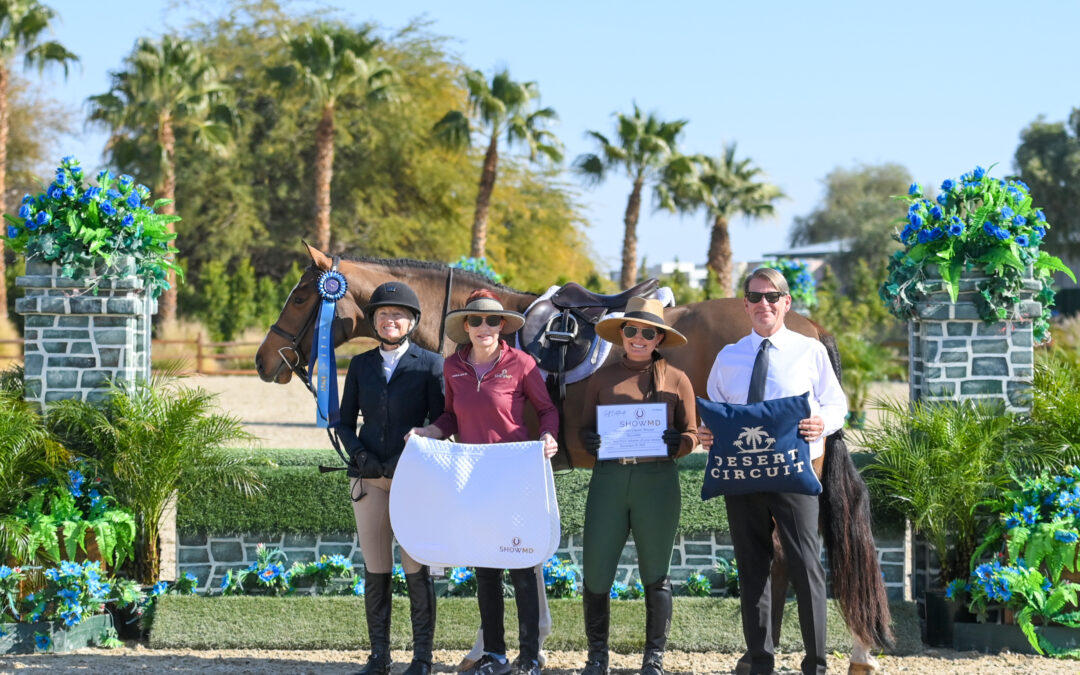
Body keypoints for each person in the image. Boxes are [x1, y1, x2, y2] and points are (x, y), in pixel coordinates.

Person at [699, 267, 847, 675]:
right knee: (752, 568)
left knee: (806, 567)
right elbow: (714, 412)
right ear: (744, 304)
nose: (764, 303)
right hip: (741, 480)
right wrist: (706, 434)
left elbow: (836, 404)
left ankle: (816, 664)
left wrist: (824, 424)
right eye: (756, 296)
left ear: (786, 302)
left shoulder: (809, 351)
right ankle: (760, 661)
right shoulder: (728, 357)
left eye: (772, 296)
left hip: (795, 475)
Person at [408, 289, 559, 675]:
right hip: (471, 477)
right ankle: (495, 654)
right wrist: (428, 432)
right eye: (476, 321)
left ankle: (529, 658)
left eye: (492, 320)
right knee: (486, 569)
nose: (484, 327)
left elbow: (546, 409)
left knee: (523, 566)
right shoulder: (451, 367)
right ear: (466, 327)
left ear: (503, 325)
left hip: (514, 475)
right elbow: (449, 418)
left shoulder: (522, 363)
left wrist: (548, 436)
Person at [577, 296, 699, 675]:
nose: (639, 338)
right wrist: (591, 441)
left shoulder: (677, 380)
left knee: (655, 571)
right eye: (632, 330)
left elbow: (692, 434)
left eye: (649, 332)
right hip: (610, 480)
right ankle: (597, 656)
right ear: (622, 334)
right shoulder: (602, 378)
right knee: (596, 569)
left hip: (657, 482)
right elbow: (584, 429)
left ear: (659, 338)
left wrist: (676, 443)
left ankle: (654, 657)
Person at [337, 281, 445, 675]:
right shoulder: (361, 365)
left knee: (415, 567)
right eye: (383, 315)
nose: (390, 320)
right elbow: (344, 423)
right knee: (376, 567)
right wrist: (361, 455)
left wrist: (405, 457)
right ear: (375, 322)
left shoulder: (431, 365)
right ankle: (379, 656)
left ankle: (421, 659)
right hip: (369, 479)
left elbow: (441, 424)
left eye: (398, 314)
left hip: (413, 478)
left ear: (412, 320)